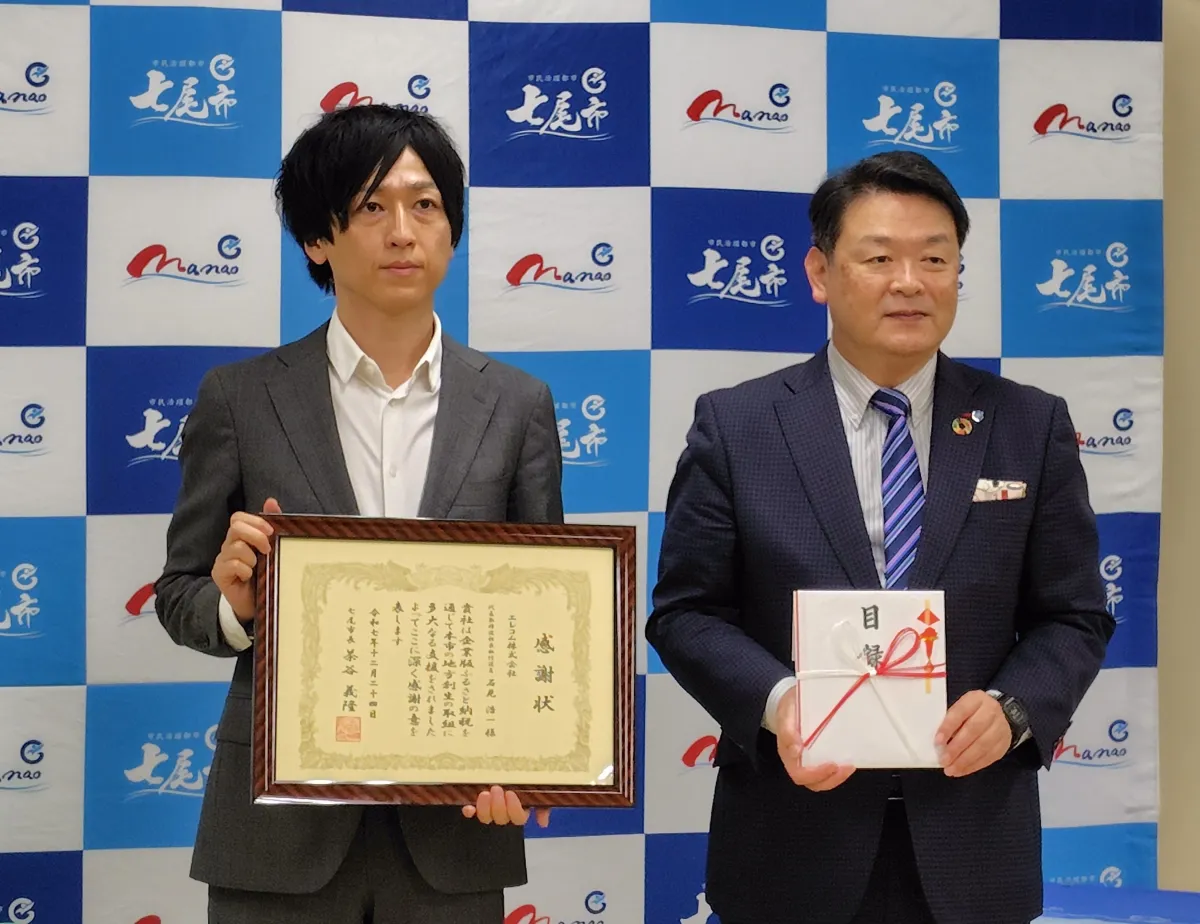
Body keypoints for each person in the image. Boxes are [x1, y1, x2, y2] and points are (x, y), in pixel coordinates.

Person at [645, 150, 1114, 924]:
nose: (910, 282)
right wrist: (782, 705)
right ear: (820, 273)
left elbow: (1075, 614)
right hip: (791, 842)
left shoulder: (1029, 425)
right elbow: (686, 613)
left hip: (972, 844)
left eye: (935, 259)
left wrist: (1013, 710)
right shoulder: (738, 425)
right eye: (880, 258)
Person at [154, 103, 563, 924]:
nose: (403, 232)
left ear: (452, 230)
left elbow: (547, 605)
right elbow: (178, 592)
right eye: (372, 207)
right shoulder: (239, 398)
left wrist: (540, 758)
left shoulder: (518, 404)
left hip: (455, 826)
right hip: (278, 828)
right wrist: (235, 607)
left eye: (425, 205)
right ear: (318, 238)